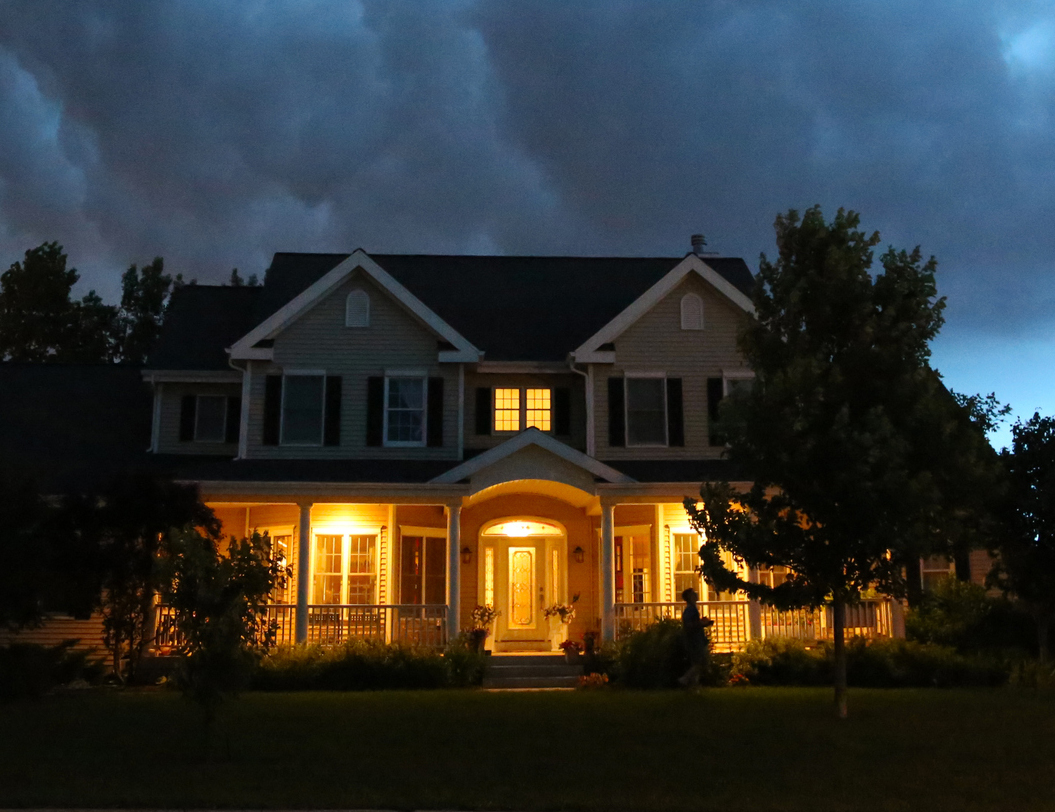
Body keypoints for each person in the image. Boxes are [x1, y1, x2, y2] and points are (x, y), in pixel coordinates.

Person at [677, 587, 713, 687]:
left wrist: (702, 622)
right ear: (690, 597)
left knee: (697, 664)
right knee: (700, 662)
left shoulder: (693, 609)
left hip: (696, 639)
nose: (696, 594)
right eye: (693, 594)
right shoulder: (690, 610)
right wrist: (703, 623)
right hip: (694, 640)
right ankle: (685, 678)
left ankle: (693, 686)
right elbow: (690, 625)